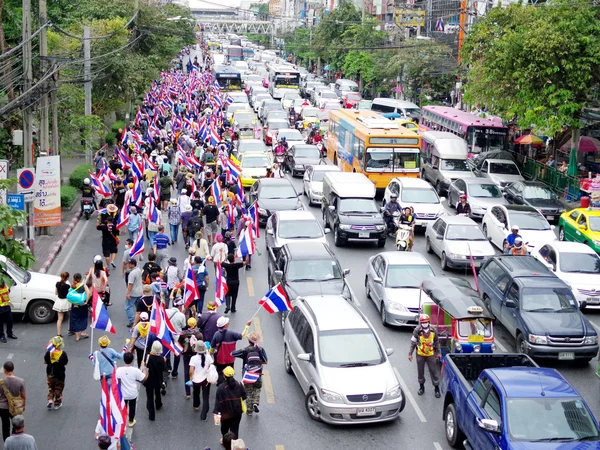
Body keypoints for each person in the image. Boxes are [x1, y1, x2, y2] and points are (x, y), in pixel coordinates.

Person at [232, 332, 267, 416]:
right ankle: (255, 402)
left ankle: (249, 411)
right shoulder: (261, 349)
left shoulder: (245, 350)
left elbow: (233, 354)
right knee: (257, 388)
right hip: (257, 374)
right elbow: (266, 361)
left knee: (248, 392)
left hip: (247, 375)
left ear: (248, 340)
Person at [408, 314, 441, 397]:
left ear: (428, 322)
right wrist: (410, 353)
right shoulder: (417, 330)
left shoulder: (433, 330)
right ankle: (421, 387)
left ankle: (436, 388)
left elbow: (436, 342)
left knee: (433, 371)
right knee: (420, 371)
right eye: (423, 322)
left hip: (430, 354)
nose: (424, 324)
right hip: (420, 354)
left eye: (426, 322)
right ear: (420, 323)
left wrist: (439, 353)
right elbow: (413, 342)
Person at [211, 317, 250, 382]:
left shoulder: (216, 335)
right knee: (230, 373)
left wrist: (210, 355)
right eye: (227, 323)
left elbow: (212, 348)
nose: (228, 324)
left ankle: (221, 385)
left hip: (220, 359)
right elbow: (243, 335)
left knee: (220, 373)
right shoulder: (232, 334)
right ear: (225, 325)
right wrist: (247, 326)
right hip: (230, 359)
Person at [214, 366, 247, 443]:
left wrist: (216, 413)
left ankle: (226, 442)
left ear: (224, 376)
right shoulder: (239, 384)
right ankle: (234, 444)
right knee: (235, 429)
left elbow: (218, 402)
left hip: (225, 413)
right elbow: (244, 396)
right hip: (237, 412)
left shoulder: (221, 388)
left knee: (224, 429)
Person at [116, 352, 148, 427]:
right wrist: (144, 368)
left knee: (123, 408)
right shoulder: (135, 370)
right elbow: (144, 378)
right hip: (132, 393)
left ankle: (122, 421)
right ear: (132, 360)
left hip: (123, 394)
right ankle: (131, 421)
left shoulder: (119, 370)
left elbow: (116, 381)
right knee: (132, 407)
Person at [0, 361, 25, 442]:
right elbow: (23, 396)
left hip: (3, 407)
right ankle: (15, 439)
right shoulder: (20, 381)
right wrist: (23, 406)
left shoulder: (1, 382)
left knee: (5, 425)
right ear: (13, 369)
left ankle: (7, 441)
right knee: (15, 424)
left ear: (4, 370)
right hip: (15, 407)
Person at [179, 318, 203, 399]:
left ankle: (188, 393)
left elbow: (179, 343)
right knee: (195, 372)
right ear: (195, 325)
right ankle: (195, 389)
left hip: (186, 355)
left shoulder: (183, 334)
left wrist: (182, 351)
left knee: (186, 372)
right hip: (195, 355)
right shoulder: (199, 334)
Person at [189, 341, 213, 420]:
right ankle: (204, 415)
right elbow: (211, 366)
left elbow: (191, 371)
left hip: (196, 380)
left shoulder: (193, 358)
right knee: (205, 397)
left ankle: (196, 405)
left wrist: (191, 378)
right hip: (206, 380)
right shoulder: (208, 357)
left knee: (196, 392)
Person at [44, 336, 68, 410]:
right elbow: (65, 362)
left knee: (51, 388)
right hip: (60, 374)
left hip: (50, 373)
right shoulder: (63, 354)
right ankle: (57, 403)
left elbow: (45, 361)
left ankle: (50, 400)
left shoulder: (49, 353)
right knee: (58, 388)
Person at [145, 341, 166, 421]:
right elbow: (165, 370)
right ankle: (158, 404)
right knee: (157, 392)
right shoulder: (161, 359)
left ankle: (151, 415)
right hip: (158, 379)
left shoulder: (148, 357)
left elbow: (145, 367)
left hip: (149, 380)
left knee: (150, 396)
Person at [66, 273, 90, 341]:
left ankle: (77, 336)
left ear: (74, 279)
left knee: (74, 319)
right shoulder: (84, 285)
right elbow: (89, 293)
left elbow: (70, 296)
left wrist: (74, 303)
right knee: (83, 318)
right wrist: (86, 301)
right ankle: (83, 332)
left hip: (75, 306)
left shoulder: (72, 286)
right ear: (81, 279)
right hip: (83, 305)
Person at [97, 203, 120, 269]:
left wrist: (98, 219)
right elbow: (118, 233)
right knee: (114, 251)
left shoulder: (104, 227)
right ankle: (112, 261)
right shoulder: (115, 227)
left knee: (107, 255)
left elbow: (97, 227)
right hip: (113, 241)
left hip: (105, 242)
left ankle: (108, 266)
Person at [125, 259, 143, 328]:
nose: (128, 265)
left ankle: (132, 320)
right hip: (140, 291)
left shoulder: (132, 273)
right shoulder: (138, 270)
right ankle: (139, 319)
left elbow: (130, 284)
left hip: (133, 293)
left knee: (128, 306)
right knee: (138, 307)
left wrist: (128, 293)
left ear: (133, 264)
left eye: (129, 264)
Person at [53, 272, 70, 337]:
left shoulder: (57, 284)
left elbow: (56, 293)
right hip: (66, 302)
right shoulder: (67, 286)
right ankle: (69, 330)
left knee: (59, 319)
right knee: (70, 316)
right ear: (67, 277)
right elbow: (69, 295)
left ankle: (59, 333)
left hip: (59, 302)